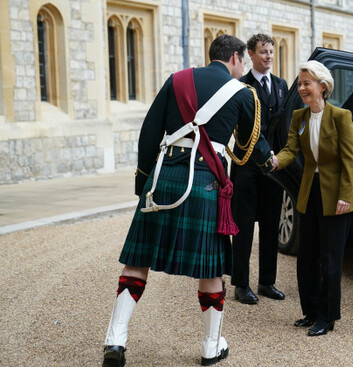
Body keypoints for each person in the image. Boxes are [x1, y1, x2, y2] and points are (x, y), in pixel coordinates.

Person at [101, 34, 278, 367]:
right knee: (211, 269)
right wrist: (270, 160)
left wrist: (144, 183)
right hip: (206, 184)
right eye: (242, 63)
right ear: (237, 58)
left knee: (137, 262)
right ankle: (211, 347)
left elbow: (149, 133)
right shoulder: (243, 94)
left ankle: (116, 341)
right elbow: (248, 149)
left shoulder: (177, 79)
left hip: (164, 178)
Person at [275, 60, 353, 336]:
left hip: (337, 195)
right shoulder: (299, 117)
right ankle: (310, 311)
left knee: (329, 258)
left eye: (306, 83)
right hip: (309, 193)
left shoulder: (341, 116)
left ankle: (327, 316)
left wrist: (346, 195)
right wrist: (276, 160)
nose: (301, 88)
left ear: (323, 86)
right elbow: (291, 150)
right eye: (300, 84)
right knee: (306, 256)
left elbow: (350, 160)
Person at [231, 34, 288, 304]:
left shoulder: (281, 85)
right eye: (263, 52)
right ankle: (241, 284)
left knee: (270, 224)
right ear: (251, 55)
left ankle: (267, 281)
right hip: (246, 166)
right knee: (243, 226)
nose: (268, 56)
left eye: (271, 52)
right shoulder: (241, 85)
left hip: (273, 168)